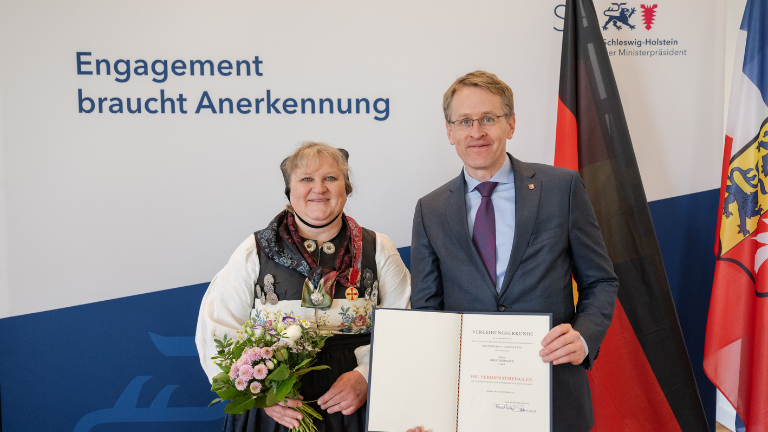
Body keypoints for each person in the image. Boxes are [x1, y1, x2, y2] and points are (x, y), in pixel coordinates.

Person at [408, 71, 619, 432]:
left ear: (511, 124)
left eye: (489, 119)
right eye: (465, 121)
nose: (477, 132)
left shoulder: (561, 188)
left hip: (554, 391)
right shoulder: (431, 209)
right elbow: (429, 313)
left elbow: (600, 280)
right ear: (450, 131)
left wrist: (584, 337)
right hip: (468, 405)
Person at [196, 142, 411, 432]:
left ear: (346, 189)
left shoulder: (379, 249)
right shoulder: (253, 250)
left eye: (330, 178)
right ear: (290, 191)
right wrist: (263, 393)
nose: (318, 188)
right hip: (275, 412)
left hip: (357, 407)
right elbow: (217, 327)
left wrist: (367, 376)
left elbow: (408, 327)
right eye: (306, 179)